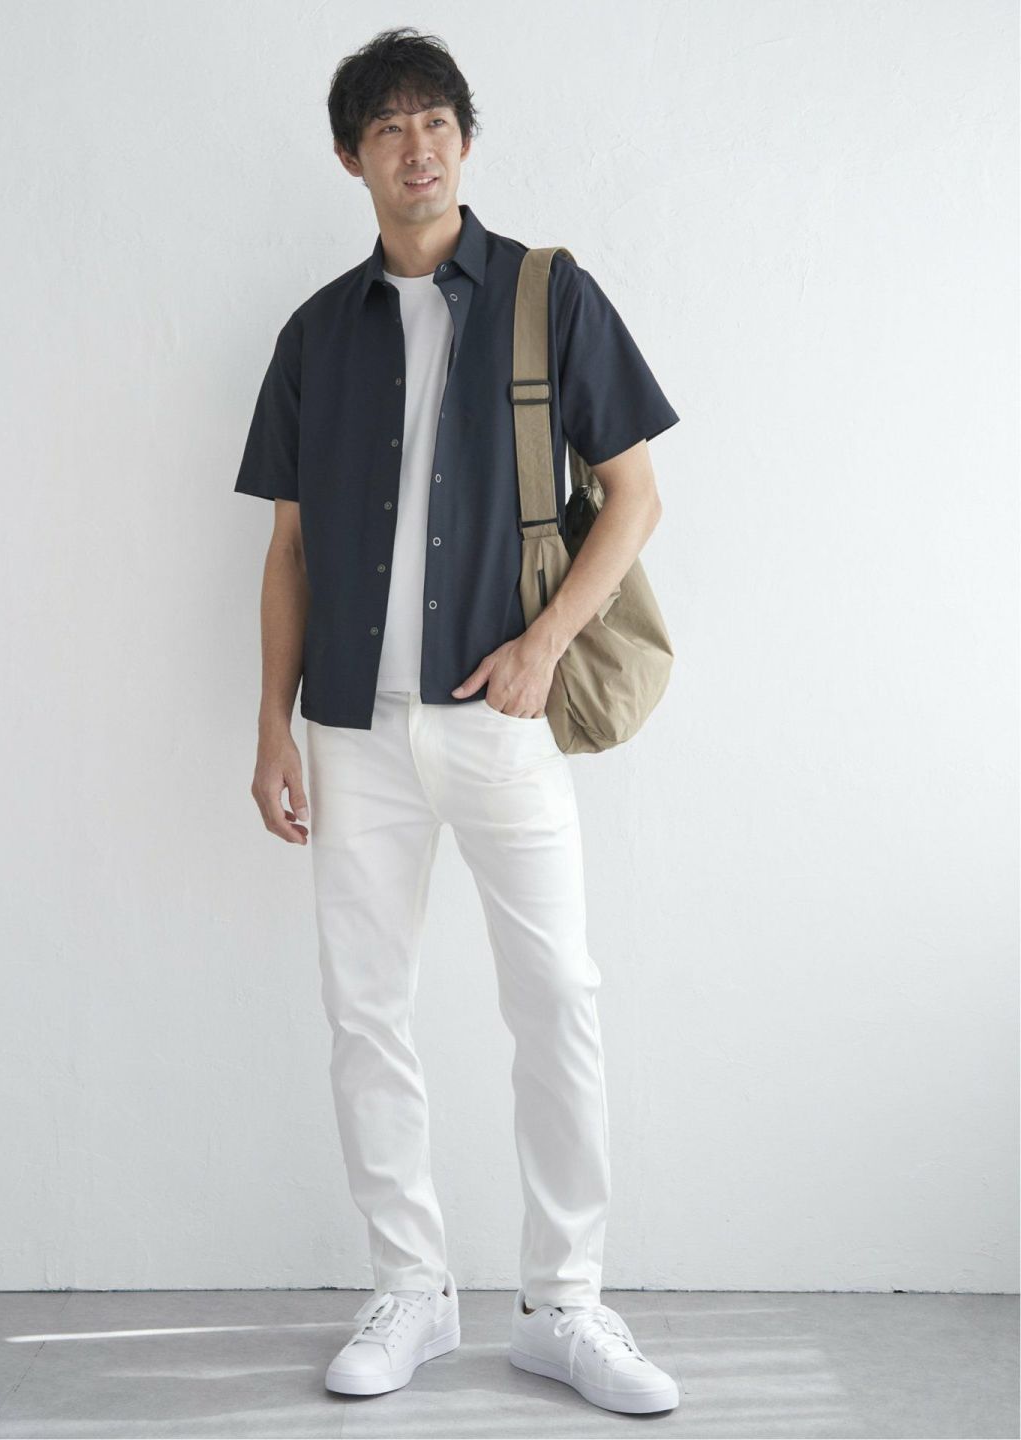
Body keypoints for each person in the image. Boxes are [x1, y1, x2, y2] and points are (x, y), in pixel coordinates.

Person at [233, 25, 681, 1417]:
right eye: (388, 127)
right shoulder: (315, 333)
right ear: (351, 157)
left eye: (435, 121)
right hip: (350, 729)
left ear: (465, 142)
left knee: (559, 998)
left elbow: (636, 495)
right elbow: (288, 548)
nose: (415, 146)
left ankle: (566, 1303)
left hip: (500, 714)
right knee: (365, 1008)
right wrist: (271, 726)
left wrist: (547, 645)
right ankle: (412, 1288)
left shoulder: (549, 295)